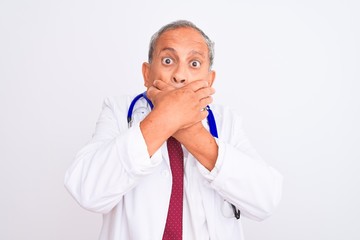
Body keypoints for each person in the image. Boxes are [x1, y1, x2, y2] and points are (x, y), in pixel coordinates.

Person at [64, 20, 283, 240]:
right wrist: (166, 118)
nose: (180, 75)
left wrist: (189, 131)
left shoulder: (227, 121)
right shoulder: (119, 111)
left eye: (195, 63)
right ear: (146, 74)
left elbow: (265, 201)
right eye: (168, 60)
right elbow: (87, 191)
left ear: (209, 79)